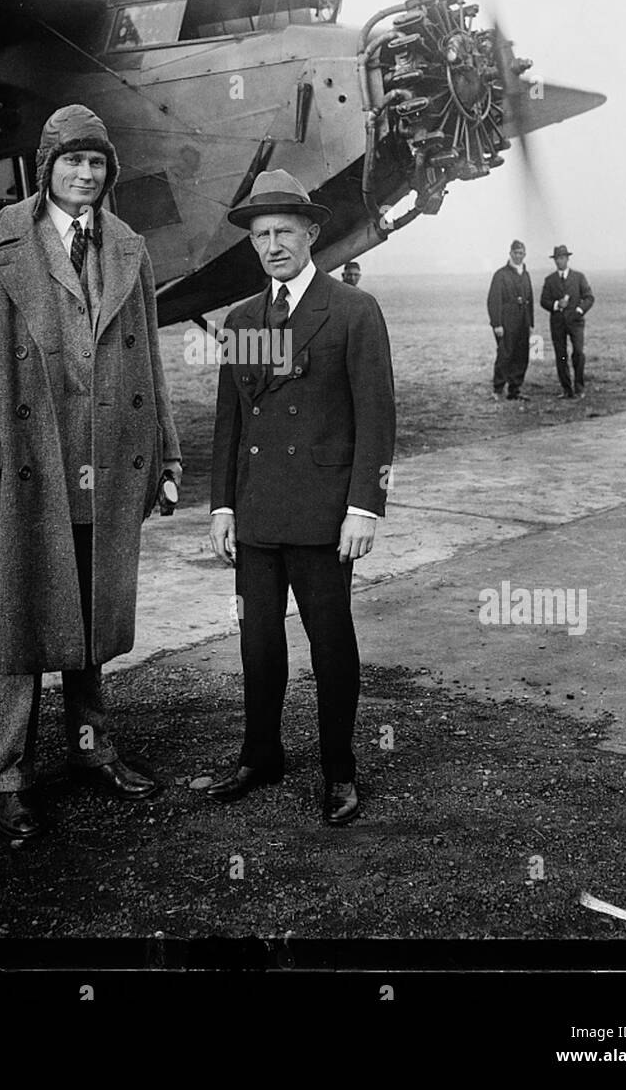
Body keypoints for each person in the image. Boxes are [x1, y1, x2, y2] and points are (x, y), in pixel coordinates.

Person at [0, 105, 182, 840]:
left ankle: (92, 749)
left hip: (102, 470)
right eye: (72, 162)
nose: (85, 175)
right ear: (47, 169)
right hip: (25, 477)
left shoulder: (129, 248)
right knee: (20, 634)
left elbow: (152, 368)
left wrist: (165, 456)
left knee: (90, 619)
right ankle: (9, 776)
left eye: (97, 163)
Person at [206, 168, 396, 826]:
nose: (273, 244)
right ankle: (261, 756)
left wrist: (364, 507)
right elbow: (232, 420)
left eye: (285, 230)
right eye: (261, 234)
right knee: (258, 646)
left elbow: (377, 416)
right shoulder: (242, 319)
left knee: (330, 645)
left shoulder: (352, 311)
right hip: (257, 514)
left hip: (323, 515)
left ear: (312, 232)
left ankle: (339, 771)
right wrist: (222, 506)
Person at [540, 244, 595, 399]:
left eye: (562, 258)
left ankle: (579, 387)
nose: (559, 261)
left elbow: (589, 297)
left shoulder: (578, 277)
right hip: (557, 323)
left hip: (576, 322)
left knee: (578, 353)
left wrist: (579, 310)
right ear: (554, 260)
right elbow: (543, 301)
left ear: (567, 259)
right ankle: (566, 389)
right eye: (557, 258)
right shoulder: (550, 280)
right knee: (561, 355)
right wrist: (557, 305)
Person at [487, 239, 534, 401]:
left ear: (525, 255)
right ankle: (498, 389)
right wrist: (497, 323)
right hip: (506, 322)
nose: (519, 256)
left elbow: (530, 299)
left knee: (521, 356)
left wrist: (530, 323)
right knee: (505, 354)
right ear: (510, 253)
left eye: (521, 253)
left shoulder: (526, 274)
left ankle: (515, 390)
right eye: (516, 253)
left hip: (523, 322)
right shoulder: (501, 275)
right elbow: (494, 300)